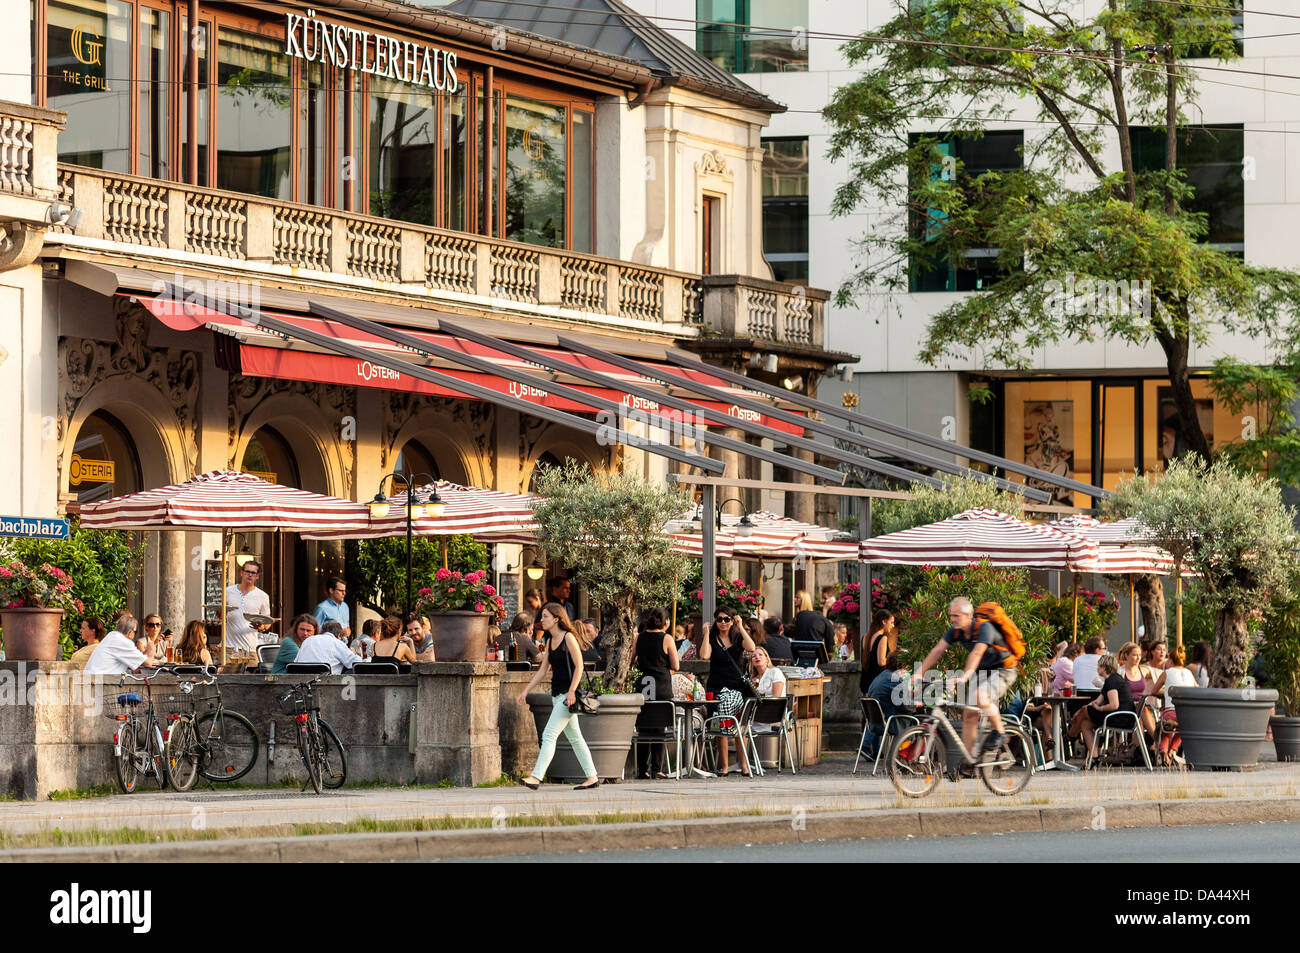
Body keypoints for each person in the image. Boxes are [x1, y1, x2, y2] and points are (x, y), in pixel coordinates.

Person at [515, 602, 600, 791]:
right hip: (557, 695)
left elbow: (579, 666)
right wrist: (526, 690)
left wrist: (571, 691)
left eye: (545, 616)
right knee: (576, 738)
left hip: (566, 696)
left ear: (556, 619)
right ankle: (592, 777)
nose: (541, 620)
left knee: (549, 734)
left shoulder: (568, 637)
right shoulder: (549, 641)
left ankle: (536, 777)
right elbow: (543, 669)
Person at [917, 598, 1016, 758]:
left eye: (957, 616)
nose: (953, 619)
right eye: (951, 616)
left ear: (969, 615)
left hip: (1003, 670)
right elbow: (938, 650)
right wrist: (918, 673)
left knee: (980, 696)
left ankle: (1000, 732)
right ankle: (969, 760)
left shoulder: (985, 627)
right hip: (981, 671)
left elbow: (977, 652)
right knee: (969, 715)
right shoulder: (956, 630)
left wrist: (965, 676)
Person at [699, 608, 757, 777]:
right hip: (716, 687)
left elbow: (752, 647)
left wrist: (740, 627)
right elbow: (704, 655)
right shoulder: (712, 638)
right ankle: (724, 766)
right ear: (715, 621)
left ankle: (744, 765)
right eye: (719, 619)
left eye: (726, 619)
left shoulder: (738, 637)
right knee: (719, 726)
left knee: (739, 727)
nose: (723, 622)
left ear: (732, 620)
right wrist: (705, 633)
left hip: (736, 687)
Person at [633, 607, 680, 779]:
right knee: (659, 728)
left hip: (643, 685)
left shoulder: (639, 637)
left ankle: (641, 770)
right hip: (660, 685)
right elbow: (676, 665)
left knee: (643, 728)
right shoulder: (667, 638)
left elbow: (632, 660)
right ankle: (656, 769)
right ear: (666, 622)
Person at [1080, 654, 1135, 758]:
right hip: (1123, 716)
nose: (1097, 668)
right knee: (1084, 724)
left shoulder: (1112, 681)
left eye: (1099, 666)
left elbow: (1114, 705)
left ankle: (1069, 736)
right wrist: (1089, 706)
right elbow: (1098, 701)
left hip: (1121, 718)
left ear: (1104, 668)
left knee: (1085, 711)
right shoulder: (1112, 680)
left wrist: (1099, 708)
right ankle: (1094, 758)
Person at [1152, 644, 1197, 765]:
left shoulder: (1167, 672)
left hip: (1170, 712)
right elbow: (1197, 688)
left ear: (1170, 661)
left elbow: (1153, 691)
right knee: (1182, 729)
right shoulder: (1189, 673)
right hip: (1187, 713)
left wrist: (1166, 690)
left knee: (1167, 730)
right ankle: (1172, 751)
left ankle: (1164, 751)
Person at [862, 651, 907, 759]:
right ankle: (904, 756)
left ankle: (876, 752)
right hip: (888, 724)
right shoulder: (894, 679)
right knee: (913, 720)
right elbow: (904, 705)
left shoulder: (880, 676)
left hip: (874, 724)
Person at [225, 560, 272, 653]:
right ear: (241, 573)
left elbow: (268, 622)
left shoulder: (263, 596)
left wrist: (261, 627)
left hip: (251, 648)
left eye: (253, 573)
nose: (250, 575)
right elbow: (221, 616)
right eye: (247, 572)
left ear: (257, 576)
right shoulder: (228, 591)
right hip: (229, 648)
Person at [85, 613, 150, 676]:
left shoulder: (112, 636)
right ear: (130, 632)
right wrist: (151, 647)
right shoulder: (123, 641)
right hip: (99, 682)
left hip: (92, 680)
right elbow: (148, 663)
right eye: (135, 632)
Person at [1117, 641, 1157, 740]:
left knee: (1141, 712)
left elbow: (1162, 675)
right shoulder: (1119, 671)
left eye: (1139, 655)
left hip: (1140, 707)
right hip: (1124, 707)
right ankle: (1157, 742)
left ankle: (1139, 749)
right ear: (1126, 655)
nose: (1138, 657)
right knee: (1139, 714)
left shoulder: (1143, 670)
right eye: (1135, 655)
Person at [294, 620, 362, 674]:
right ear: (339, 635)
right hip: (326, 683)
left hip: (302, 683)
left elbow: (296, 662)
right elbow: (357, 663)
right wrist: (353, 653)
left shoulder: (308, 640)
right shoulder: (337, 643)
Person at [860, 609, 896, 696]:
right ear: (884, 622)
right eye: (891, 622)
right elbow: (881, 662)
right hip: (877, 682)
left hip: (865, 681)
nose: (893, 626)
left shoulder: (865, 637)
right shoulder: (882, 638)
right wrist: (892, 657)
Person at [792, 589, 832, 656]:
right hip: (816, 651)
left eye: (797, 597)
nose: (794, 599)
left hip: (803, 651)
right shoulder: (816, 616)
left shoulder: (800, 616)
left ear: (804, 600)